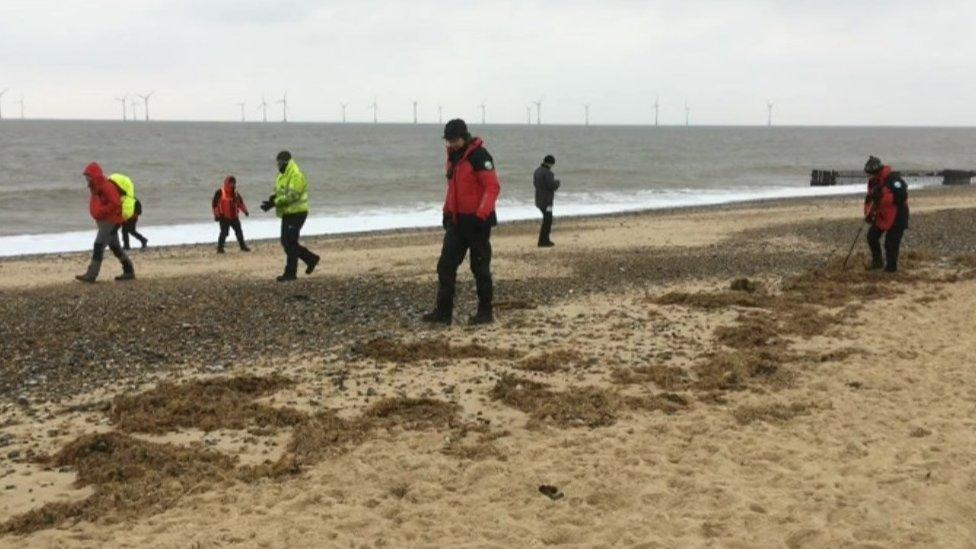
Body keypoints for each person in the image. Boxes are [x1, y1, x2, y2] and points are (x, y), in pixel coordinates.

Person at [422, 119, 501, 325]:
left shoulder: (480, 156)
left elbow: (492, 187)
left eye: (454, 140)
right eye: (448, 141)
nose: (451, 144)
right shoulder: (453, 157)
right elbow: (453, 190)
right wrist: (447, 212)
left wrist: (481, 214)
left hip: (477, 223)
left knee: (480, 269)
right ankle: (443, 313)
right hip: (456, 222)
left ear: (464, 136)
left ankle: (485, 313)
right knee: (445, 267)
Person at [260, 151, 320, 282]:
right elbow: (278, 191)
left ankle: (290, 273)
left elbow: (293, 195)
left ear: (286, 162)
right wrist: (271, 200)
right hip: (288, 213)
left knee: (291, 242)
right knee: (285, 242)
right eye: (277, 163)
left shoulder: (296, 174)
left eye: (280, 163)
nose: (278, 165)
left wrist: (275, 203)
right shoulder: (282, 174)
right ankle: (311, 259)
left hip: (298, 213)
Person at [76, 162, 135, 282]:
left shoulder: (106, 186)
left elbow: (116, 203)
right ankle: (129, 271)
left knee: (98, 245)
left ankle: (91, 275)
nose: (86, 178)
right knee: (115, 247)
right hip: (105, 221)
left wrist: (102, 211)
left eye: (88, 176)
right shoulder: (95, 187)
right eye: (86, 176)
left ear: (94, 176)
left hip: (111, 221)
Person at [863, 155, 909, 272]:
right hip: (882, 215)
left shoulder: (894, 179)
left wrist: (882, 197)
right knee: (872, 237)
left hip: (898, 215)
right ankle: (877, 262)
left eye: (870, 173)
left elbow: (902, 196)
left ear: (877, 171)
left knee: (890, 243)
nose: (868, 176)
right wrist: (868, 214)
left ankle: (891, 268)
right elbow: (869, 199)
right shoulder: (873, 182)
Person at [212, 176, 251, 253]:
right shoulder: (220, 192)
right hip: (224, 217)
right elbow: (214, 205)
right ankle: (220, 248)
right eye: (231, 183)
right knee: (224, 233)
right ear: (227, 183)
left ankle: (243, 246)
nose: (232, 184)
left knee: (239, 232)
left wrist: (245, 211)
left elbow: (240, 203)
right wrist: (216, 215)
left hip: (234, 217)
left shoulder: (236, 193)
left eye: (234, 183)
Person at [533, 154, 560, 247]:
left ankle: (544, 240)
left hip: (539, 199)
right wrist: (557, 183)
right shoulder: (548, 173)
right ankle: (543, 241)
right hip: (547, 201)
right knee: (548, 220)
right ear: (551, 163)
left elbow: (535, 184)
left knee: (546, 220)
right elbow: (551, 186)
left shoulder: (537, 171)